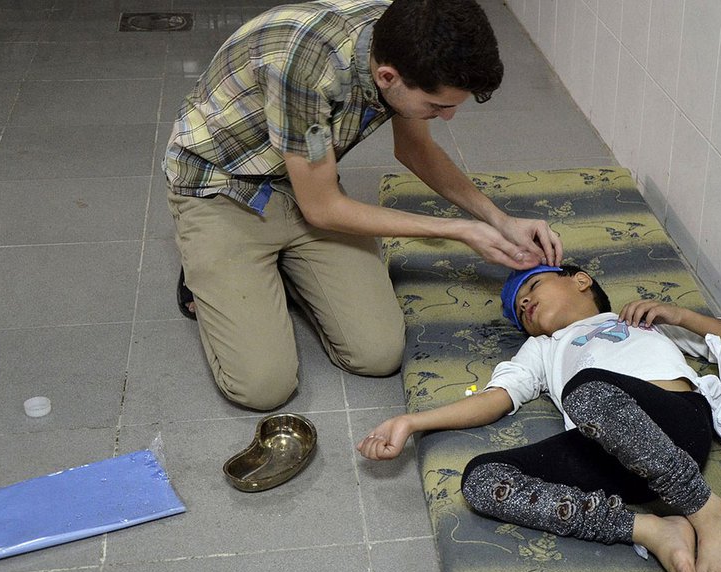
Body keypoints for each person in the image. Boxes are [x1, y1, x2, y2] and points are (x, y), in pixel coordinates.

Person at [163, 0, 562, 411]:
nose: (448, 117)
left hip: (305, 180)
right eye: (437, 106)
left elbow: (415, 150)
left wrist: (499, 219)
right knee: (264, 388)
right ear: (388, 77)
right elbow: (322, 210)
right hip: (222, 188)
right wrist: (459, 229)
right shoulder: (304, 68)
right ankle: (208, 267)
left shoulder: (405, 37)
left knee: (378, 354)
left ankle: (278, 272)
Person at [358, 264, 721, 572]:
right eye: (519, 310)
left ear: (580, 280)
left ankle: (707, 511)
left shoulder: (639, 319)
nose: (525, 303)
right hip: (609, 458)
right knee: (481, 479)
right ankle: (650, 529)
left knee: (588, 391)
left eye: (533, 287)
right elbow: (496, 397)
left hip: (676, 428)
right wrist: (411, 421)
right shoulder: (543, 348)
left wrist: (678, 315)